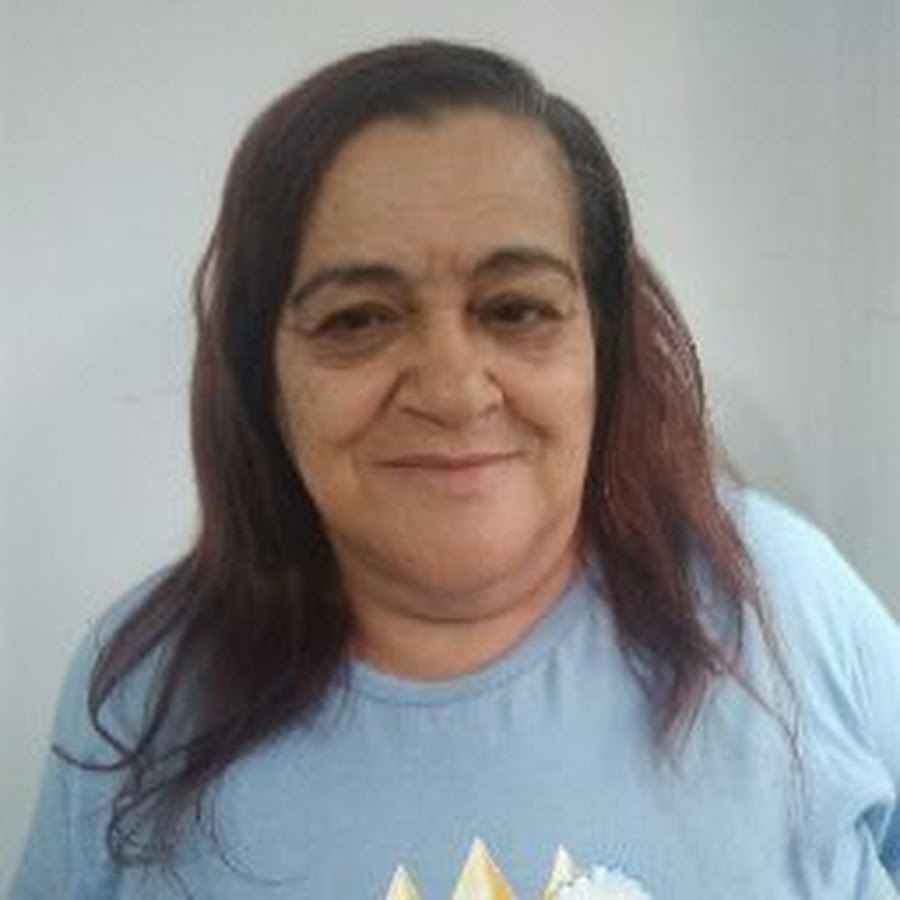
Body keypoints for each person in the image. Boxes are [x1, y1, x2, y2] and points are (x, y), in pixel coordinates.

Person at [10, 40, 900, 899]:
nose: (451, 390)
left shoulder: (781, 598)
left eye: (517, 309)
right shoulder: (141, 695)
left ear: (604, 345)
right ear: (261, 373)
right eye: (357, 319)